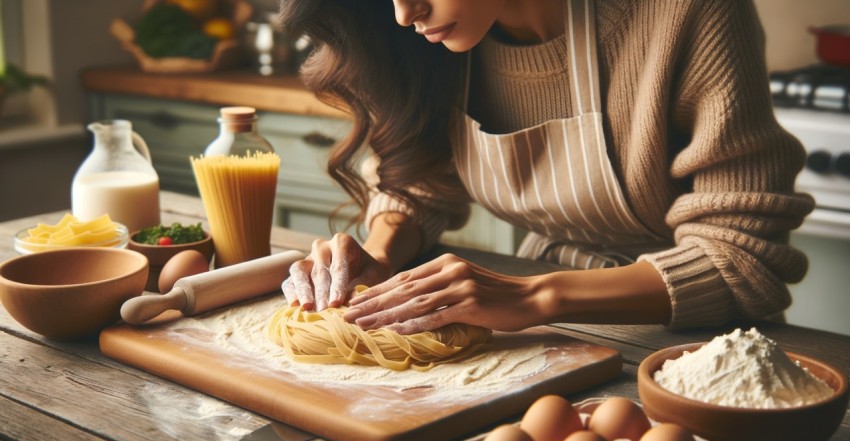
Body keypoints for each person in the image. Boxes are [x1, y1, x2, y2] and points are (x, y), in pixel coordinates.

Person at [276, 0, 814, 335]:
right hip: (549, 334)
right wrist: (377, 256)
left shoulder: (686, 12)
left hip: (694, 343)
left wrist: (537, 296)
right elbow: (418, 180)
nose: (403, 11)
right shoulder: (428, 43)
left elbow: (740, 259)